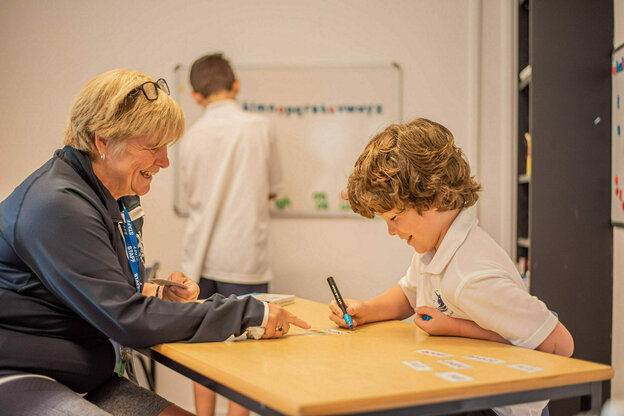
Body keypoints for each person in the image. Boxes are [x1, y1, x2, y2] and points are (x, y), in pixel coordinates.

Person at [0, 69, 309, 416]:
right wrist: (247, 313)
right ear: (103, 141)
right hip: (26, 377)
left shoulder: (105, 194)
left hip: (88, 376)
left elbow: (82, 287)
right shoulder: (56, 205)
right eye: (152, 147)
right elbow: (127, 319)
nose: (164, 161)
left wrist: (153, 292)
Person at [329, 118, 574, 416]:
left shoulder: (471, 276)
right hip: (468, 386)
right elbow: (409, 294)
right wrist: (367, 309)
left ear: (431, 199)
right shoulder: (435, 247)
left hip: (499, 407)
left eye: (394, 218)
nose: (391, 232)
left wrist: (456, 328)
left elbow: (559, 345)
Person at [179, 53, 283, 416]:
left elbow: (188, 198)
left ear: (195, 96)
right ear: (236, 85)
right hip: (244, 257)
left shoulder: (189, 137)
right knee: (248, 348)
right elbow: (273, 187)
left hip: (200, 259)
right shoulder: (260, 127)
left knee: (202, 345)